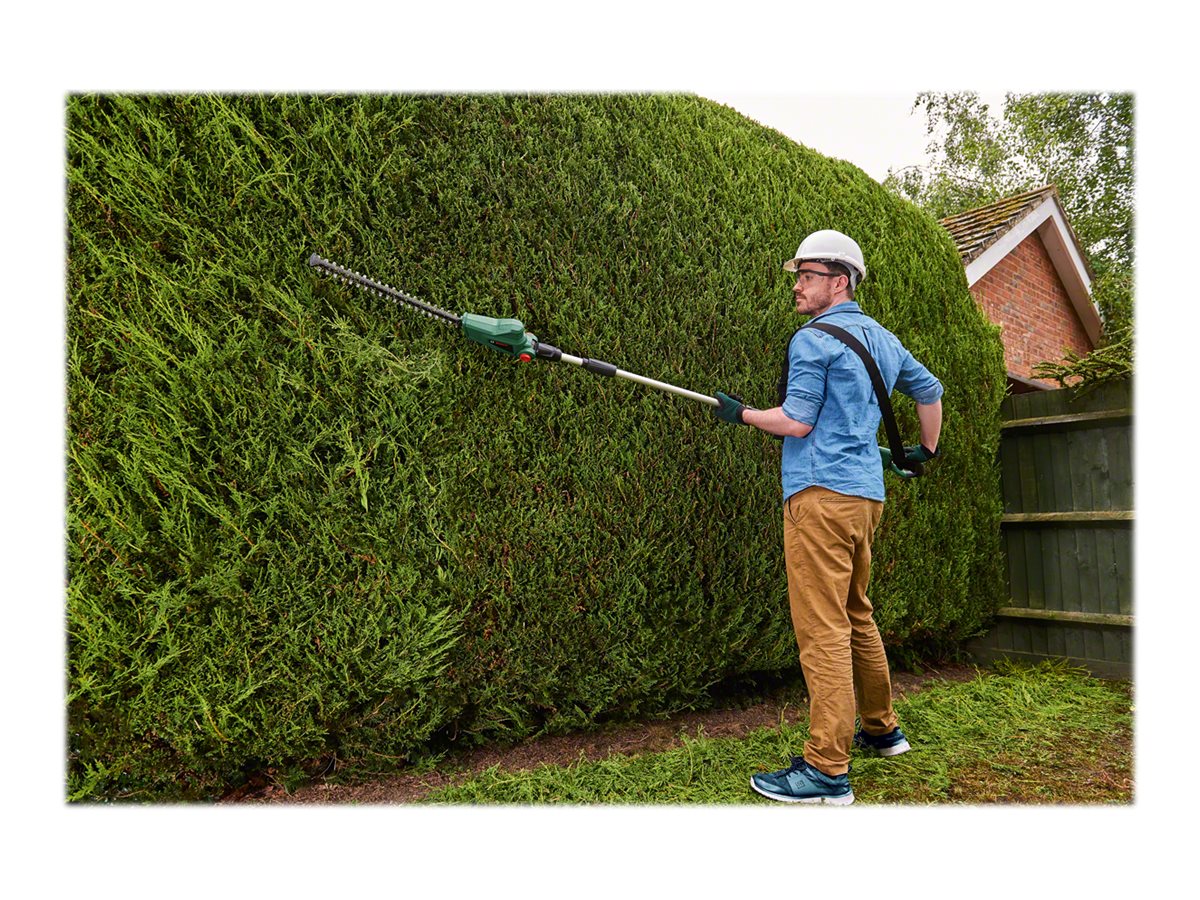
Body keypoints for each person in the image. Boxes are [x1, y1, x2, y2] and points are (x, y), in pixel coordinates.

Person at [713, 229, 944, 805]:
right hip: (865, 500)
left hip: (818, 497)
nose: (797, 286)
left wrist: (741, 414)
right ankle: (883, 730)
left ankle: (826, 771)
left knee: (823, 630)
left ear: (839, 282)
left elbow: (796, 422)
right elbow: (929, 391)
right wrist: (924, 451)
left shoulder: (812, 339)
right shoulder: (883, 340)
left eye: (807, 276)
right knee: (856, 614)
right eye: (798, 276)